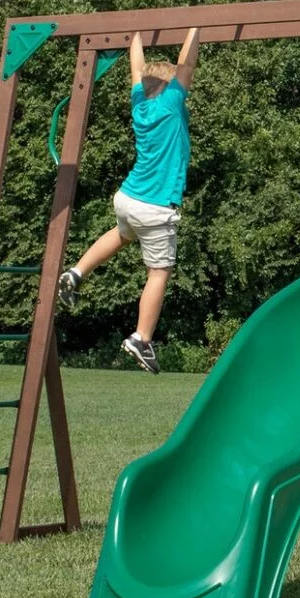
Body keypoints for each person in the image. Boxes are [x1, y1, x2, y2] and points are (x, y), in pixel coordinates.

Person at [57, 27, 200, 374]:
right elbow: (187, 63)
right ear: (170, 89)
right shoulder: (170, 103)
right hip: (154, 208)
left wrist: (135, 33)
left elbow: (137, 69)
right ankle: (141, 337)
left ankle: (77, 272)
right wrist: (196, 26)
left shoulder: (140, 105)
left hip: (128, 198)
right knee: (159, 272)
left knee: (122, 235)